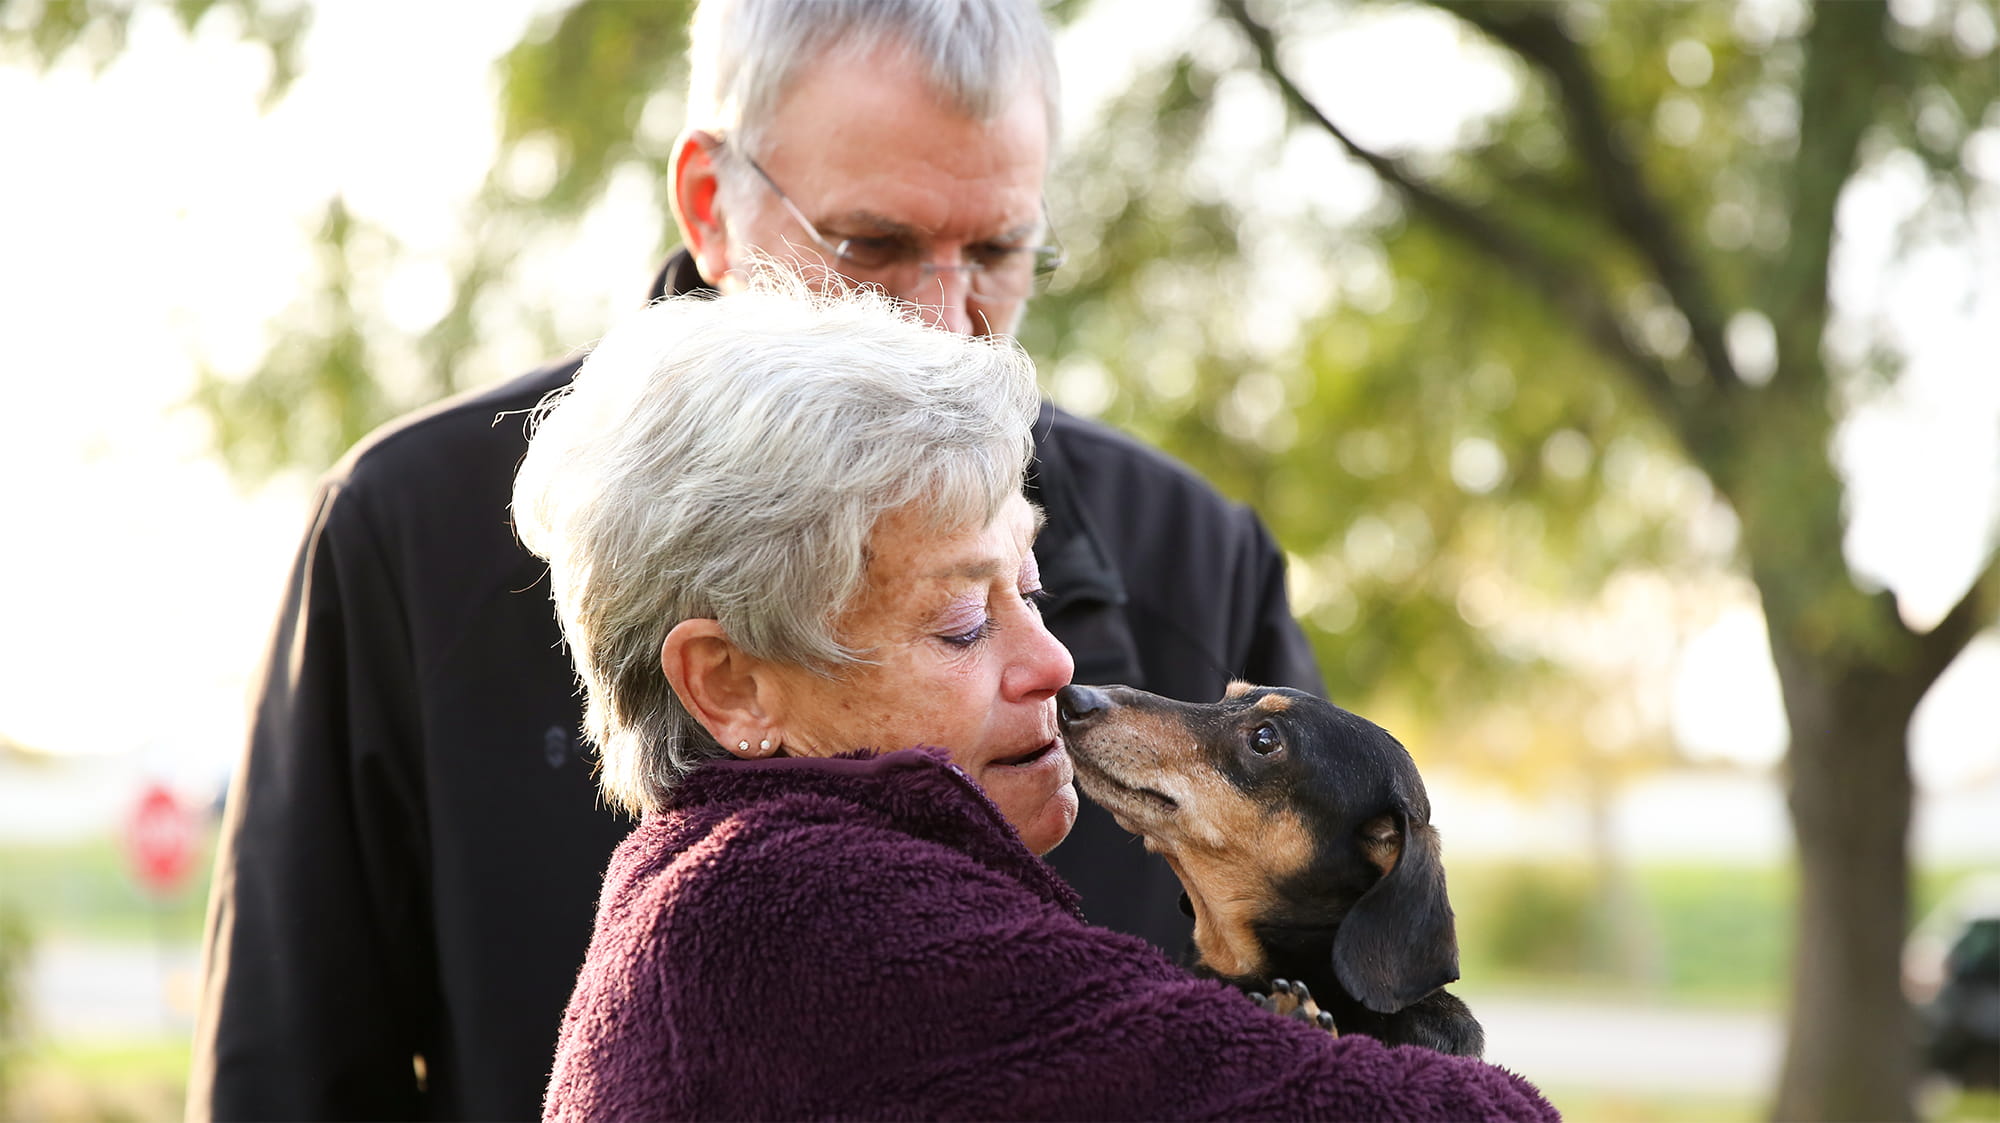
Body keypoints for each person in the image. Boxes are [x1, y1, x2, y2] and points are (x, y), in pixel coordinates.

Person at [189, 1, 1322, 1119]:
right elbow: (289, 1077)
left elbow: (1348, 994)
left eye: (995, 251)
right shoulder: (412, 534)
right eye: (870, 246)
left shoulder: (1195, 557)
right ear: (708, 201)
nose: (942, 318)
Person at [522, 282, 1552, 1120]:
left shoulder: (700, 894)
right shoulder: (812, 926)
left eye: (1031, 588)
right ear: (733, 683)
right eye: (963, 620)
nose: (1056, 662)